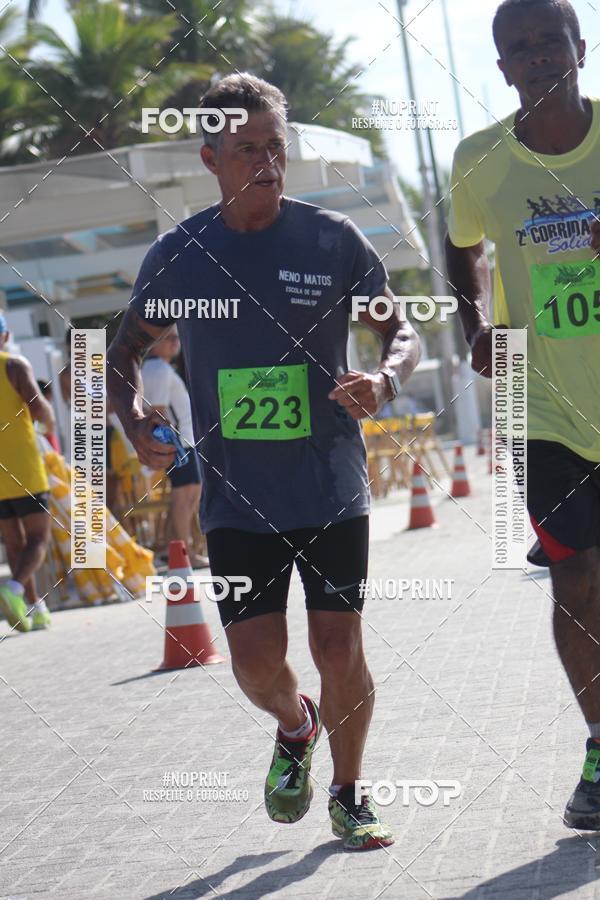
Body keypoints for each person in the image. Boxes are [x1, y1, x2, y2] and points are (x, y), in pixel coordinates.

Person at [107, 73, 420, 850]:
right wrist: (133, 415)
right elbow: (119, 353)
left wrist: (385, 379)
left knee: (338, 647)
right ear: (211, 159)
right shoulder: (180, 256)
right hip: (236, 498)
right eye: (246, 148)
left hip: (330, 484)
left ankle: (349, 792)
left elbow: (401, 329)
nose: (265, 161)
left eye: (275, 145)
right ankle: (295, 723)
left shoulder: (331, 239)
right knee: (253, 663)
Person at [445, 0, 600, 830]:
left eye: (551, 41)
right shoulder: (479, 159)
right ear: (503, 67)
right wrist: (476, 323)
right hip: (538, 402)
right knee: (575, 577)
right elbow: (460, 243)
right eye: (521, 47)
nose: (539, 56)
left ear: (581, 49)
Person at [0, 315, 54, 631]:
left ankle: (34, 607)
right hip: (24, 466)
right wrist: (50, 422)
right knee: (38, 538)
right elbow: (38, 407)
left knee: (13, 542)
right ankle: (14, 587)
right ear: (5, 336)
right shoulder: (14, 365)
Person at [141, 326, 206, 566]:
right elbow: (158, 412)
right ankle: (186, 554)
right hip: (180, 443)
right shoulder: (158, 368)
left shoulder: (157, 367)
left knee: (188, 495)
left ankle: (173, 549)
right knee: (185, 495)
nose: (174, 342)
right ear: (153, 343)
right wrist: (173, 447)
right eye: (168, 338)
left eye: (176, 338)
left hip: (183, 440)